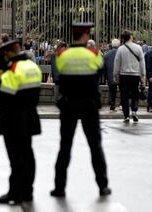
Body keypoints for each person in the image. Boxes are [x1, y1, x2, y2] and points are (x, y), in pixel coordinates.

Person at [51, 23, 111, 198]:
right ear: (86, 35)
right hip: (89, 105)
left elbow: (60, 73)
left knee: (65, 147)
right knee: (95, 147)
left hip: (68, 105)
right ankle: (102, 186)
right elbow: (100, 69)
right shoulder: (93, 54)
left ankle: (59, 188)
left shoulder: (62, 54)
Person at [0, 40, 42, 204]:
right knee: (28, 155)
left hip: (13, 120)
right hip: (30, 116)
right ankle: (28, 191)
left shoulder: (12, 70)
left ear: (8, 53)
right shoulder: (32, 67)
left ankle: (15, 192)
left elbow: (4, 96)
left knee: (16, 158)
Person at [113, 30, 146, 123]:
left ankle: (126, 115)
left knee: (124, 96)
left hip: (123, 75)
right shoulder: (138, 48)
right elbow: (142, 63)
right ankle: (134, 111)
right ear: (131, 37)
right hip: (135, 75)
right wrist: (143, 75)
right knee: (135, 94)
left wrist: (115, 75)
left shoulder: (120, 49)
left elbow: (117, 63)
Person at [103, 39, 120, 112]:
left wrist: (106, 77)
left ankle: (112, 106)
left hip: (110, 76)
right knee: (123, 90)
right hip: (120, 75)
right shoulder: (121, 53)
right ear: (119, 45)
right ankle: (122, 105)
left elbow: (104, 67)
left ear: (112, 45)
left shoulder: (106, 55)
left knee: (112, 91)